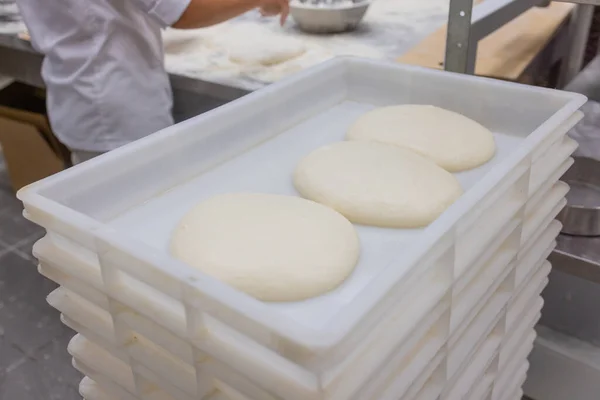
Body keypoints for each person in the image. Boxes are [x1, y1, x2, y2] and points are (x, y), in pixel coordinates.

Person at [16, 0, 289, 164]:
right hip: (117, 104)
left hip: (79, 92)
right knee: (126, 226)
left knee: (103, 219)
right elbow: (184, 11)